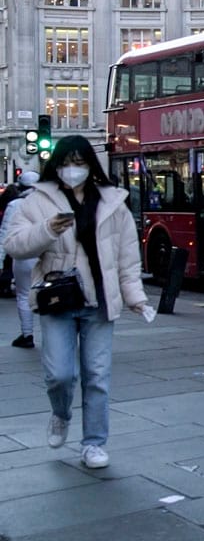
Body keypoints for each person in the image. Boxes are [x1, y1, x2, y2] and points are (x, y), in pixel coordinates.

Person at [3, 135, 148, 470]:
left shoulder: (113, 201)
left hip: (99, 302)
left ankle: (94, 443)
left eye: (80, 163)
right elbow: (14, 245)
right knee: (59, 375)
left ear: (90, 165)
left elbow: (127, 257)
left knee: (97, 376)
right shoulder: (38, 200)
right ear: (56, 165)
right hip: (59, 300)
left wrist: (136, 297)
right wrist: (47, 229)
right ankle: (61, 413)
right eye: (67, 163)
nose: (73, 170)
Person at [1, 171, 41, 347]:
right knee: (50, 294)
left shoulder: (15, 205)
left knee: (24, 295)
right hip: (48, 255)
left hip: (24, 256)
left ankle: (27, 334)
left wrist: (0, 260)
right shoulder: (50, 203)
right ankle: (55, 334)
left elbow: (4, 234)